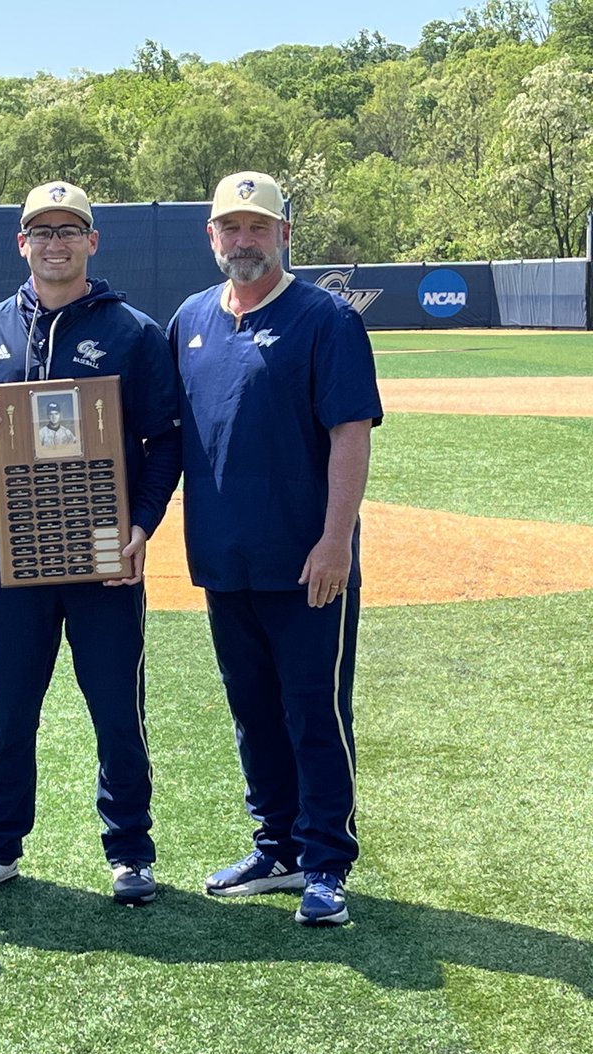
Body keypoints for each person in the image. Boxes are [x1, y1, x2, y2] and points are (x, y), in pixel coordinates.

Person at [0, 180, 181, 905]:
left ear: (91, 241)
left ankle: (130, 851)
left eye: (69, 229)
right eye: (41, 230)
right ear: (22, 243)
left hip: (105, 553)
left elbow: (166, 439)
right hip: (17, 553)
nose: (55, 242)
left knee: (116, 706)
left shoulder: (132, 331)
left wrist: (142, 526)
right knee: (11, 707)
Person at [167, 171, 383, 926]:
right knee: (251, 708)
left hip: (308, 562)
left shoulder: (325, 318)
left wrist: (334, 542)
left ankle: (326, 860)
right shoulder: (190, 318)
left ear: (283, 233)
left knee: (314, 711)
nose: (244, 240)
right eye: (231, 227)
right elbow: (166, 437)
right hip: (226, 558)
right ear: (212, 237)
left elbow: (350, 435)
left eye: (258, 226)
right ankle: (278, 847)